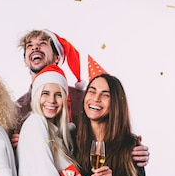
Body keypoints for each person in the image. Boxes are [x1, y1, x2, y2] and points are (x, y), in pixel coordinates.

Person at [12, 29, 150, 167]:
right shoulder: (16, 109)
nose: (35, 47)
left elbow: (111, 128)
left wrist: (130, 150)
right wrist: (13, 146)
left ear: (57, 57)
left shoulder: (84, 99)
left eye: (43, 43)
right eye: (29, 45)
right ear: (25, 60)